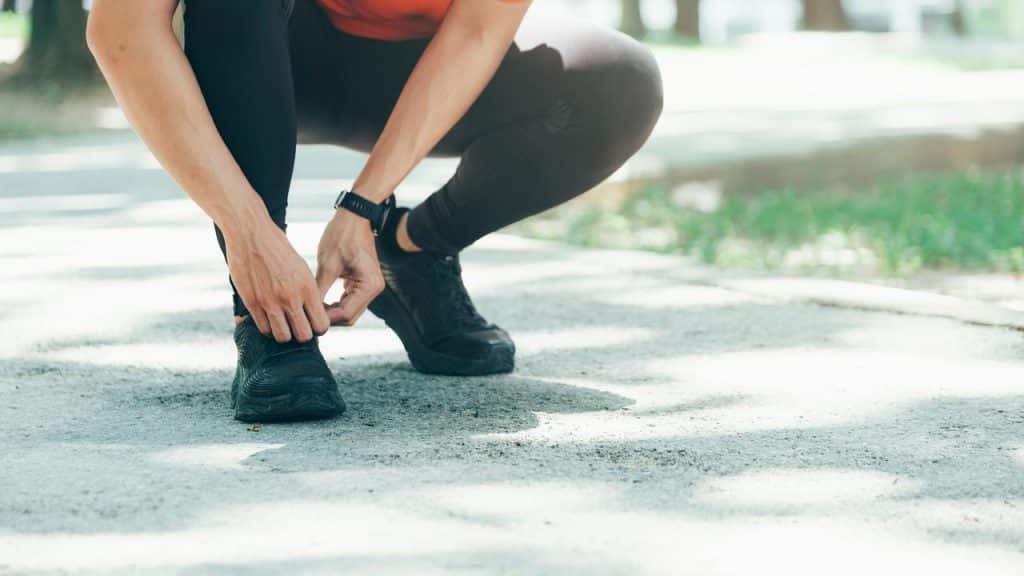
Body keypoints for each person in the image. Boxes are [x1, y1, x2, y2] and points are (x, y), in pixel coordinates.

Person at [86, 0, 663, 423]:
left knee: (617, 83)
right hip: (263, 51)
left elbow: (477, 34)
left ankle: (411, 253)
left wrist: (362, 209)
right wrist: (249, 233)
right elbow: (121, 31)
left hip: (411, 67)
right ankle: (269, 323)